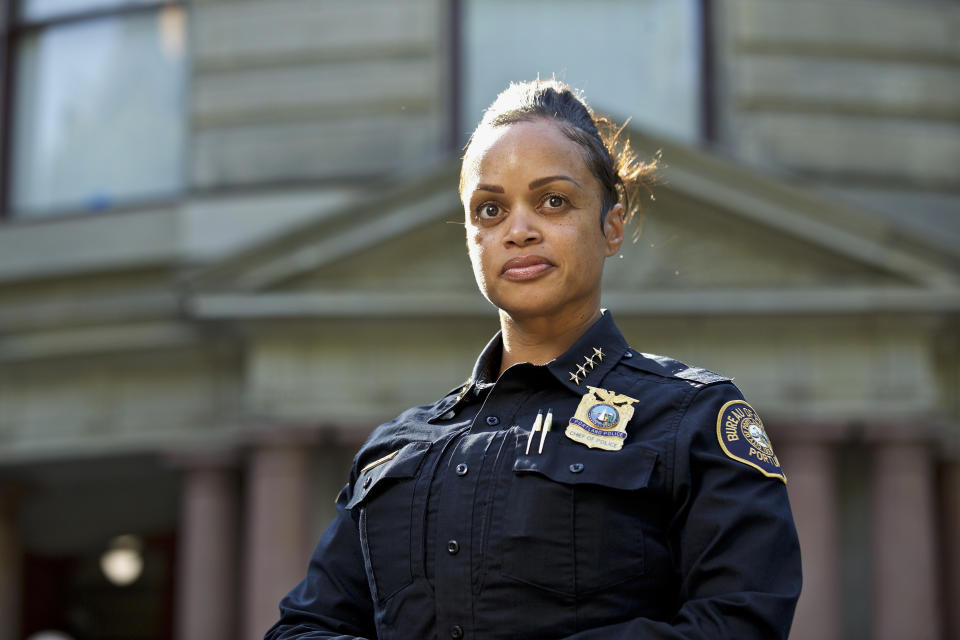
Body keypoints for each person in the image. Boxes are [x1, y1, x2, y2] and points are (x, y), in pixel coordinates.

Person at [265, 79, 801, 640]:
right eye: (490, 209)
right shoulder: (394, 450)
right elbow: (302, 628)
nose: (518, 231)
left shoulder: (692, 418)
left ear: (612, 225)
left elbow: (741, 622)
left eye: (553, 201)